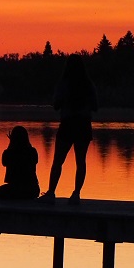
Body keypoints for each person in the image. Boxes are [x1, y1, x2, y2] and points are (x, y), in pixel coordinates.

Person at [43, 56, 98, 202]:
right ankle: (76, 194)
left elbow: (56, 105)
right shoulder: (88, 85)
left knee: (58, 161)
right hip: (83, 125)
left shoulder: (64, 84)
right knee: (81, 161)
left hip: (68, 124)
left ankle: (51, 193)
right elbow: (95, 106)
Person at [0, 125, 40, 200]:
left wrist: (11, 143)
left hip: (15, 189)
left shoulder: (9, 153)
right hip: (33, 189)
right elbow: (35, 161)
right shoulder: (32, 151)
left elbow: (4, 162)